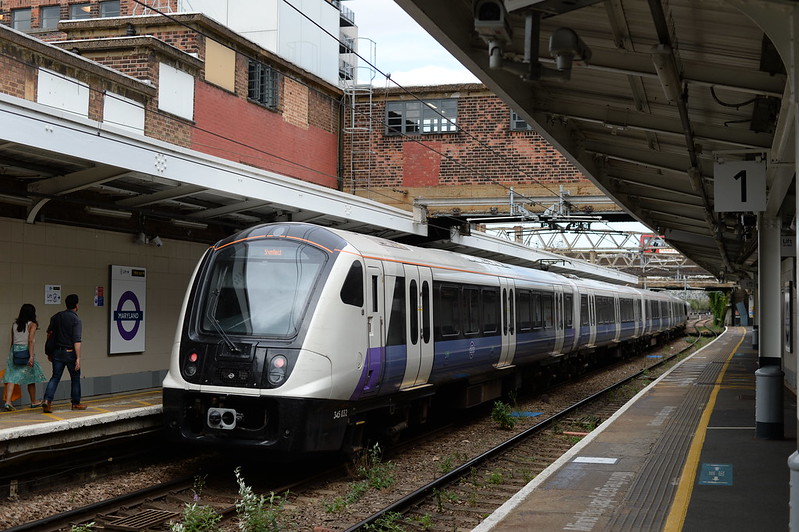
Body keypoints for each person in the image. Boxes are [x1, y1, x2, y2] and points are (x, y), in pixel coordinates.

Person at [42, 294, 86, 413]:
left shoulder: (56, 317)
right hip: (70, 352)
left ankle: (47, 400)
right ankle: (75, 403)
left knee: (55, 377)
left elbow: (49, 335)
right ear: (77, 305)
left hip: (57, 352)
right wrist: (78, 358)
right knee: (75, 378)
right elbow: (77, 340)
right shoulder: (76, 320)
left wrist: (49, 352)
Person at [3, 303, 47, 410]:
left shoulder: (14, 324)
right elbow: (30, 340)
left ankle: (8, 402)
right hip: (26, 352)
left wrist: (11, 355)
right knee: (31, 377)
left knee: (11, 377)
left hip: (14, 352)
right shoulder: (32, 324)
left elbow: (13, 341)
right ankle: (33, 401)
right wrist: (31, 356)